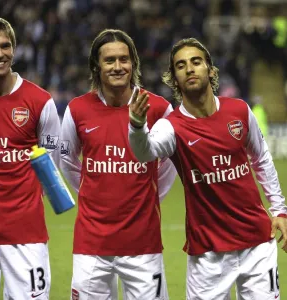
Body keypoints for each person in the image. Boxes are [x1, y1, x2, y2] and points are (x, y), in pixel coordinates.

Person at [128, 37, 287, 299]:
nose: (189, 68)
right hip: (208, 256)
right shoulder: (172, 127)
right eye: (181, 66)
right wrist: (136, 126)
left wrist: (279, 208)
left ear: (210, 70)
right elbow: (144, 152)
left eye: (196, 62)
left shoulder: (239, 111)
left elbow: (261, 159)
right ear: (174, 79)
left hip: (258, 244)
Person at [60, 29, 177, 300]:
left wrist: (151, 195)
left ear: (133, 63)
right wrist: (91, 192)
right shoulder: (77, 109)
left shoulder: (158, 108)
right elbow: (66, 160)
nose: (117, 67)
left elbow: (170, 162)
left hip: (143, 243)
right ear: (96, 66)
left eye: (124, 59)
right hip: (91, 244)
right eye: (109, 60)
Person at [0, 14, 60, 299]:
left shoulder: (39, 102)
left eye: (5, 46)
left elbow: (50, 163)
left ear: (14, 50)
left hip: (25, 232)